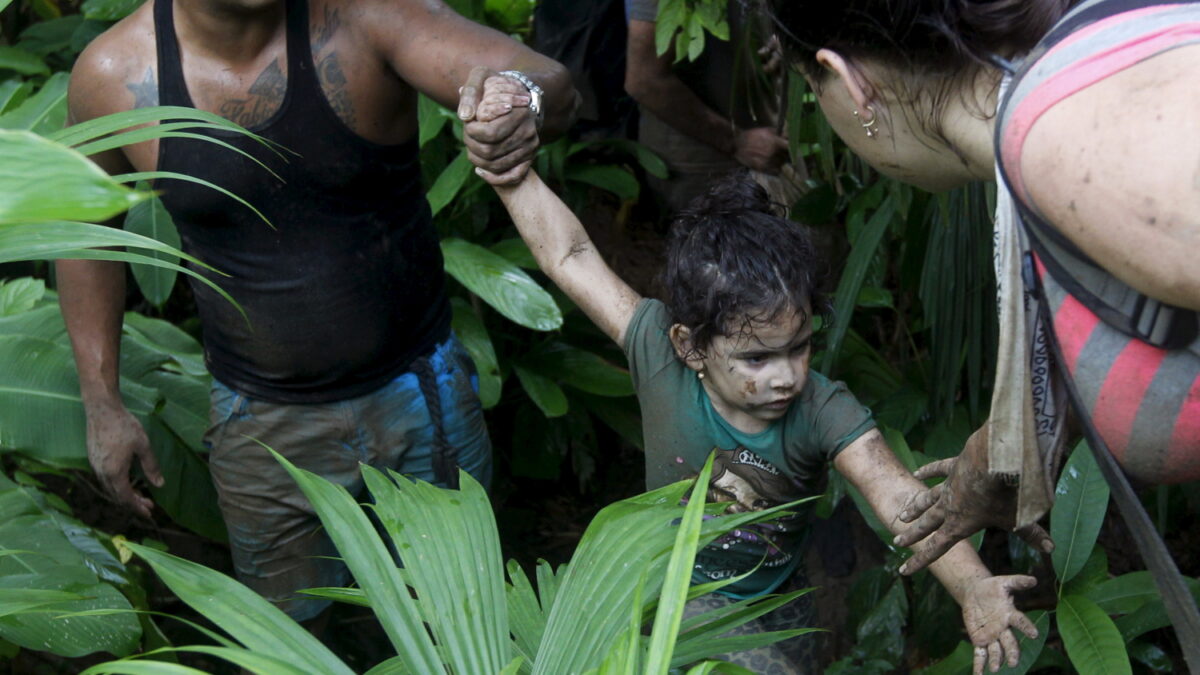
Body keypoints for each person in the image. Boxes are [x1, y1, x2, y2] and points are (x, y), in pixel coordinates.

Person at [469, 81, 1038, 671]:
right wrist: (513, 177)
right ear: (690, 346)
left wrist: (972, 585)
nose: (787, 377)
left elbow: (899, 500)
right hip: (664, 596)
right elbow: (571, 256)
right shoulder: (656, 351)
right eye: (757, 360)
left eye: (801, 348)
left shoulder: (821, 409)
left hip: (777, 607)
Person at [58, 0, 577, 623]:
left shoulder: (364, 16)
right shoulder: (113, 73)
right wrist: (102, 404)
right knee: (289, 638)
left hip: (419, 392)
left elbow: (540, 75)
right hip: (259, 425)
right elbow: (86, 235)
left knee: (458, 621)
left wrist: (518, 99)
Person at [766, 0, 1200, 576]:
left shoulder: (1057, 133)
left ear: (850, 80)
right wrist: (1000, 453)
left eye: (813, 91)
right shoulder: (1066, 100)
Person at [624, 0, 799, 214]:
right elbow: (645, 81)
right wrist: (737, 142)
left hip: (763, 141)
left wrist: (784, 32)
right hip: (703, 161)